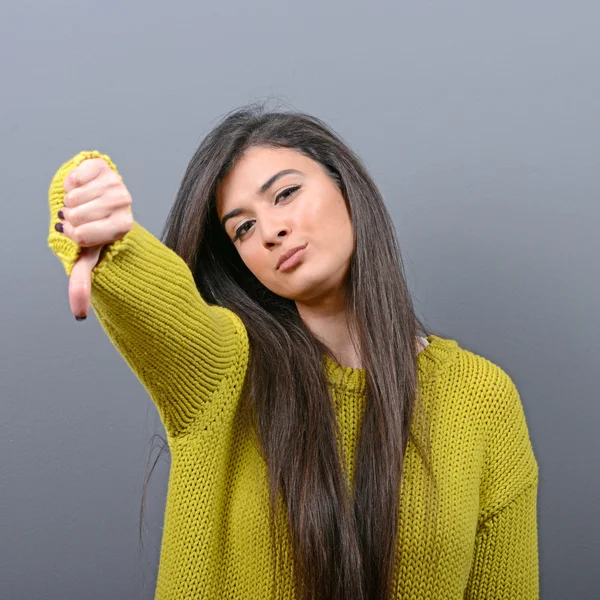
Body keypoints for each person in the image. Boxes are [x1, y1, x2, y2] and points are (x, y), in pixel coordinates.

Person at [47, 105, 539, 600]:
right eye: (242, 228)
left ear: (346, 187)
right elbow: (159, 302)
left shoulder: (481, 398)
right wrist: (100, 221)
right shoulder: (225, 373)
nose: (269, 231)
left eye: (285, 193)